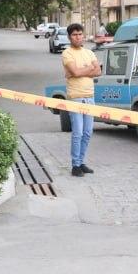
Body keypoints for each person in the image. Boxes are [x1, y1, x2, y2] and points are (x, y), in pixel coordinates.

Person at [61, 23, 101, 177]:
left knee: (88, 132)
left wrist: (79, 72)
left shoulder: (89, 52)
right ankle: (75, 165)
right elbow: (75, 72)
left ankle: (81, 161)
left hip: (90, 97)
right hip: (75, 98)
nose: (78, 37)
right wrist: (86, 70)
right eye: (74, 35)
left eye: (80, 34)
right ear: (70, 37)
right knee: (77, 133)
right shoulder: (67, 53)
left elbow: (98, 71)